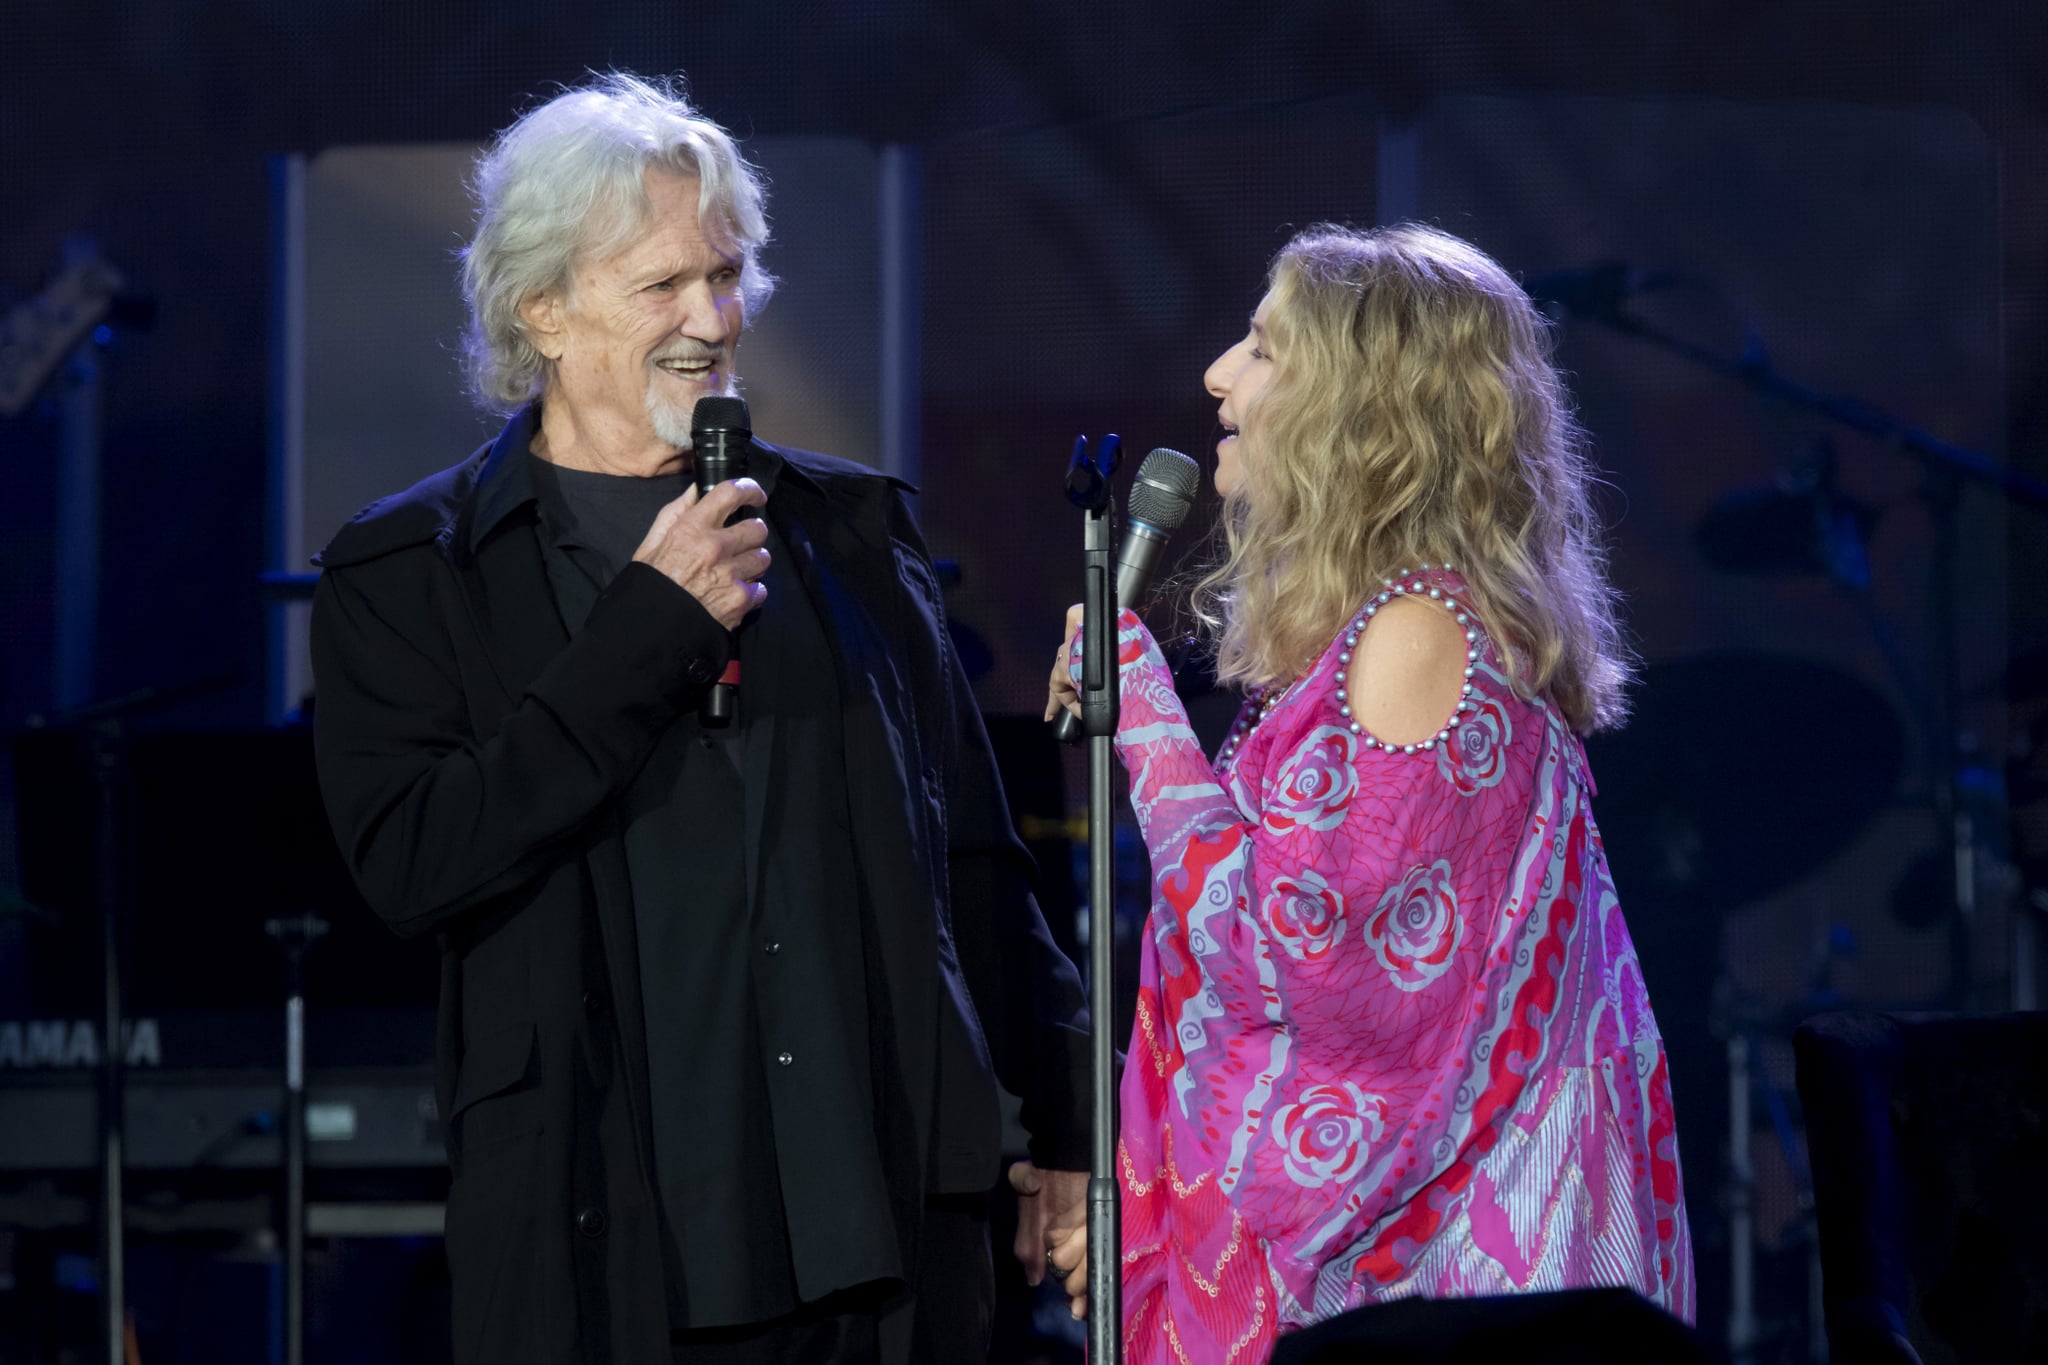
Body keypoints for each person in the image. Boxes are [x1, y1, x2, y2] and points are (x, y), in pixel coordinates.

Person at [309, 72, 1092, 1365]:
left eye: (725, 278)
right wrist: (650, 632)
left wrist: (1060, 1121)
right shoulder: (413, 568)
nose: (711, 319)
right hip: (609, 1250)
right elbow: (417, 857)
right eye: (662, 286)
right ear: (543, 308)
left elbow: (979, 865)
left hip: (880, 1234)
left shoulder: (847, 532)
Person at [1034, 223, 1695, 1361]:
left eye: (1264, 348)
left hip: (1452, 1301)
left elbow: (1316, 968)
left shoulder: (1414, 633)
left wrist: (1135, 708)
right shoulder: (1405, 623)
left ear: (1360, 411)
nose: (1217, 374)